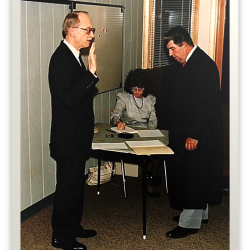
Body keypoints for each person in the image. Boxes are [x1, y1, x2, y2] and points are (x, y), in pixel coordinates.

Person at [162, 26, 223, 238]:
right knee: (198, 174)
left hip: (196, 133)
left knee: (193, 175)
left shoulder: (201, 65)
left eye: (172, 49)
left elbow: (202, 105)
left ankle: (189, 223)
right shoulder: (193, 62)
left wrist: (195, 134)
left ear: (185, 45)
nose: (171, 54)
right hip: (192, 130)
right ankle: (200, 213)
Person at [48, 11, 99, 250]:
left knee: (76, 185)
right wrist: (90, 74)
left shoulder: (75, 55)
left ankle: (73, 226)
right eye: (87, 30)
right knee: (67, 188)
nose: (91, 34)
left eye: (91, 30)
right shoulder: (60, 58)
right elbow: (69, 99)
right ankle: (62, 236)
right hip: (67, 139)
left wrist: (88, 71)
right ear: (71, 30)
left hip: (77, 137)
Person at [110, 68, 161, 196]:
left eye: (140, 89)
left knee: (156, 155)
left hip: (146, 132)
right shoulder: (123, 97)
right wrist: (118, 122)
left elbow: (153, 121)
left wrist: (148, 133)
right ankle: (149, 181)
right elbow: (115, 115)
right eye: (134, 88)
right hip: (129, 132)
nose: (137, 92)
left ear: (146, 87)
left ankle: (150, 178)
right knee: (149, 156)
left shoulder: (151, 99)